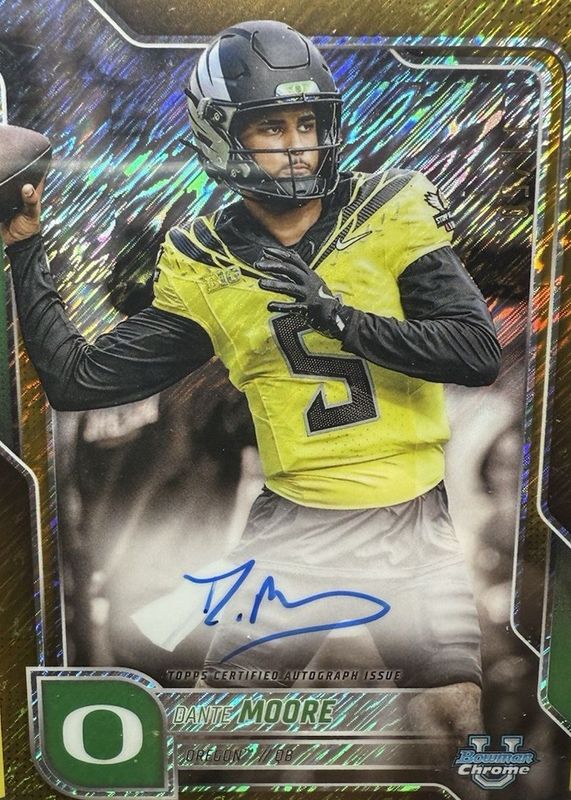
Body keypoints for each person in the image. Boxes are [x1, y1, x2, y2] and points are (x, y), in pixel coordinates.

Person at [2, 20, 500, 742]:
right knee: (221, 734)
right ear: (223, 137)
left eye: (307, 123)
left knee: (455, 722)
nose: (297, 144)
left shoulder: (389, 207)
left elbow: (475, 352)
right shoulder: (206, 261)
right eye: (272, 127)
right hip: (294, 535)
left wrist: (340, 317)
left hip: (414, 526)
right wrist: (25, 250)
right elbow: (78, 381)